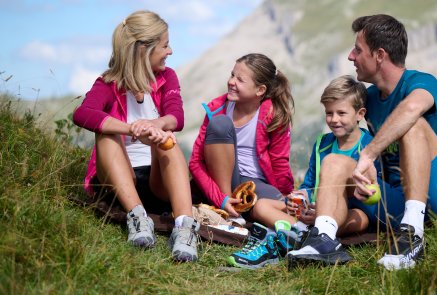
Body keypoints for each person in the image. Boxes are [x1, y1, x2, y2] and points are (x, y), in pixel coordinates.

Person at [287, 14, 437, 270]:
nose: (351, 56)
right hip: (397, 201)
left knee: (413, 123)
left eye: (358, 49)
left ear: (379, 55)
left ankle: (412, 236)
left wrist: (368, 155)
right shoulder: (371, 98)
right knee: (334, 161)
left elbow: (411, 109)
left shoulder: (422, 82)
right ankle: (323, 239)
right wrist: (364, 179)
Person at [73, 10, 199, 262]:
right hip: (119, 183)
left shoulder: (166, 77)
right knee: (106, 134)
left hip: (157, 181)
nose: (170, 51)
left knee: (167, 136)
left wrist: (153, 125)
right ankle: (138, 218)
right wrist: (131, 129)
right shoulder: (108, 84)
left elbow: (177, 116)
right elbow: (82, 114)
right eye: (165, 46)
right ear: (143, 50)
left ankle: (185, 228)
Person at [227, 75, 375, 269]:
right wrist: (302, 196)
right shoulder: (322, 144)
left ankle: (299, 234)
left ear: (360, 114)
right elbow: (309, 184)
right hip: (314, 211)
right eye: (329, 113)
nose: (334, 119)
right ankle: (303, 234)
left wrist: (323, 213)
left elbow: (370, 192)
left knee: (361, 219)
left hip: (347, 211)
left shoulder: (369, 146)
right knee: (261, 205)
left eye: (341, 113)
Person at [189, 53, 295, 219]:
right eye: (232, 75)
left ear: (260, 90)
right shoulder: (217, 109)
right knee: (220, 124)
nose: (231, 82)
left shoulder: (275, 116)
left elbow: (279, 162)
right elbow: (195, 162)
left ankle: (305, 235)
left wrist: (287, 195)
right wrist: (222, 199)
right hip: (220, 182)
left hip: (254, 183)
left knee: (279, 206)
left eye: (240, 79)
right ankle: (227, 210)